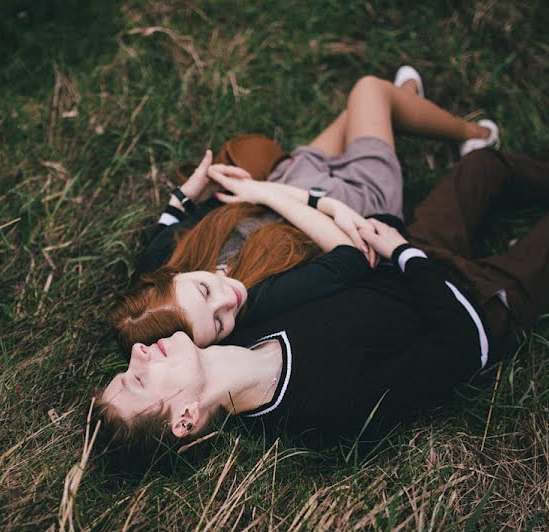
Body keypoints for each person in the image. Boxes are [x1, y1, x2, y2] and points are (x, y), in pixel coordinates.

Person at [97, 115, 549, 453]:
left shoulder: (238, 324)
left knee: (481, 169)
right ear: (186, 420)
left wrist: (388, 242)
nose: (140, 355)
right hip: (479, 300)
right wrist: (407, 256)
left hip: (404, 249)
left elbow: (152, 289)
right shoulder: (321, 409)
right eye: (138, 380)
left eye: (129, 363)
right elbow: (465, 348)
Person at [115, 67, 499, 349]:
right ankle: (477, 136)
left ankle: (406, 99)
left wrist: (186, 194)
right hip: (352, 200)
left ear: (168, 277)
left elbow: (168, 225)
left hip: (290, 178)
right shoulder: (258, 302)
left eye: (204, 290)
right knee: (368, 90)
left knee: (360, 111)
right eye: (218, 324)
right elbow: (348, 258)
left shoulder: (157, 264)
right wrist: (274, 195)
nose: (226, 299)